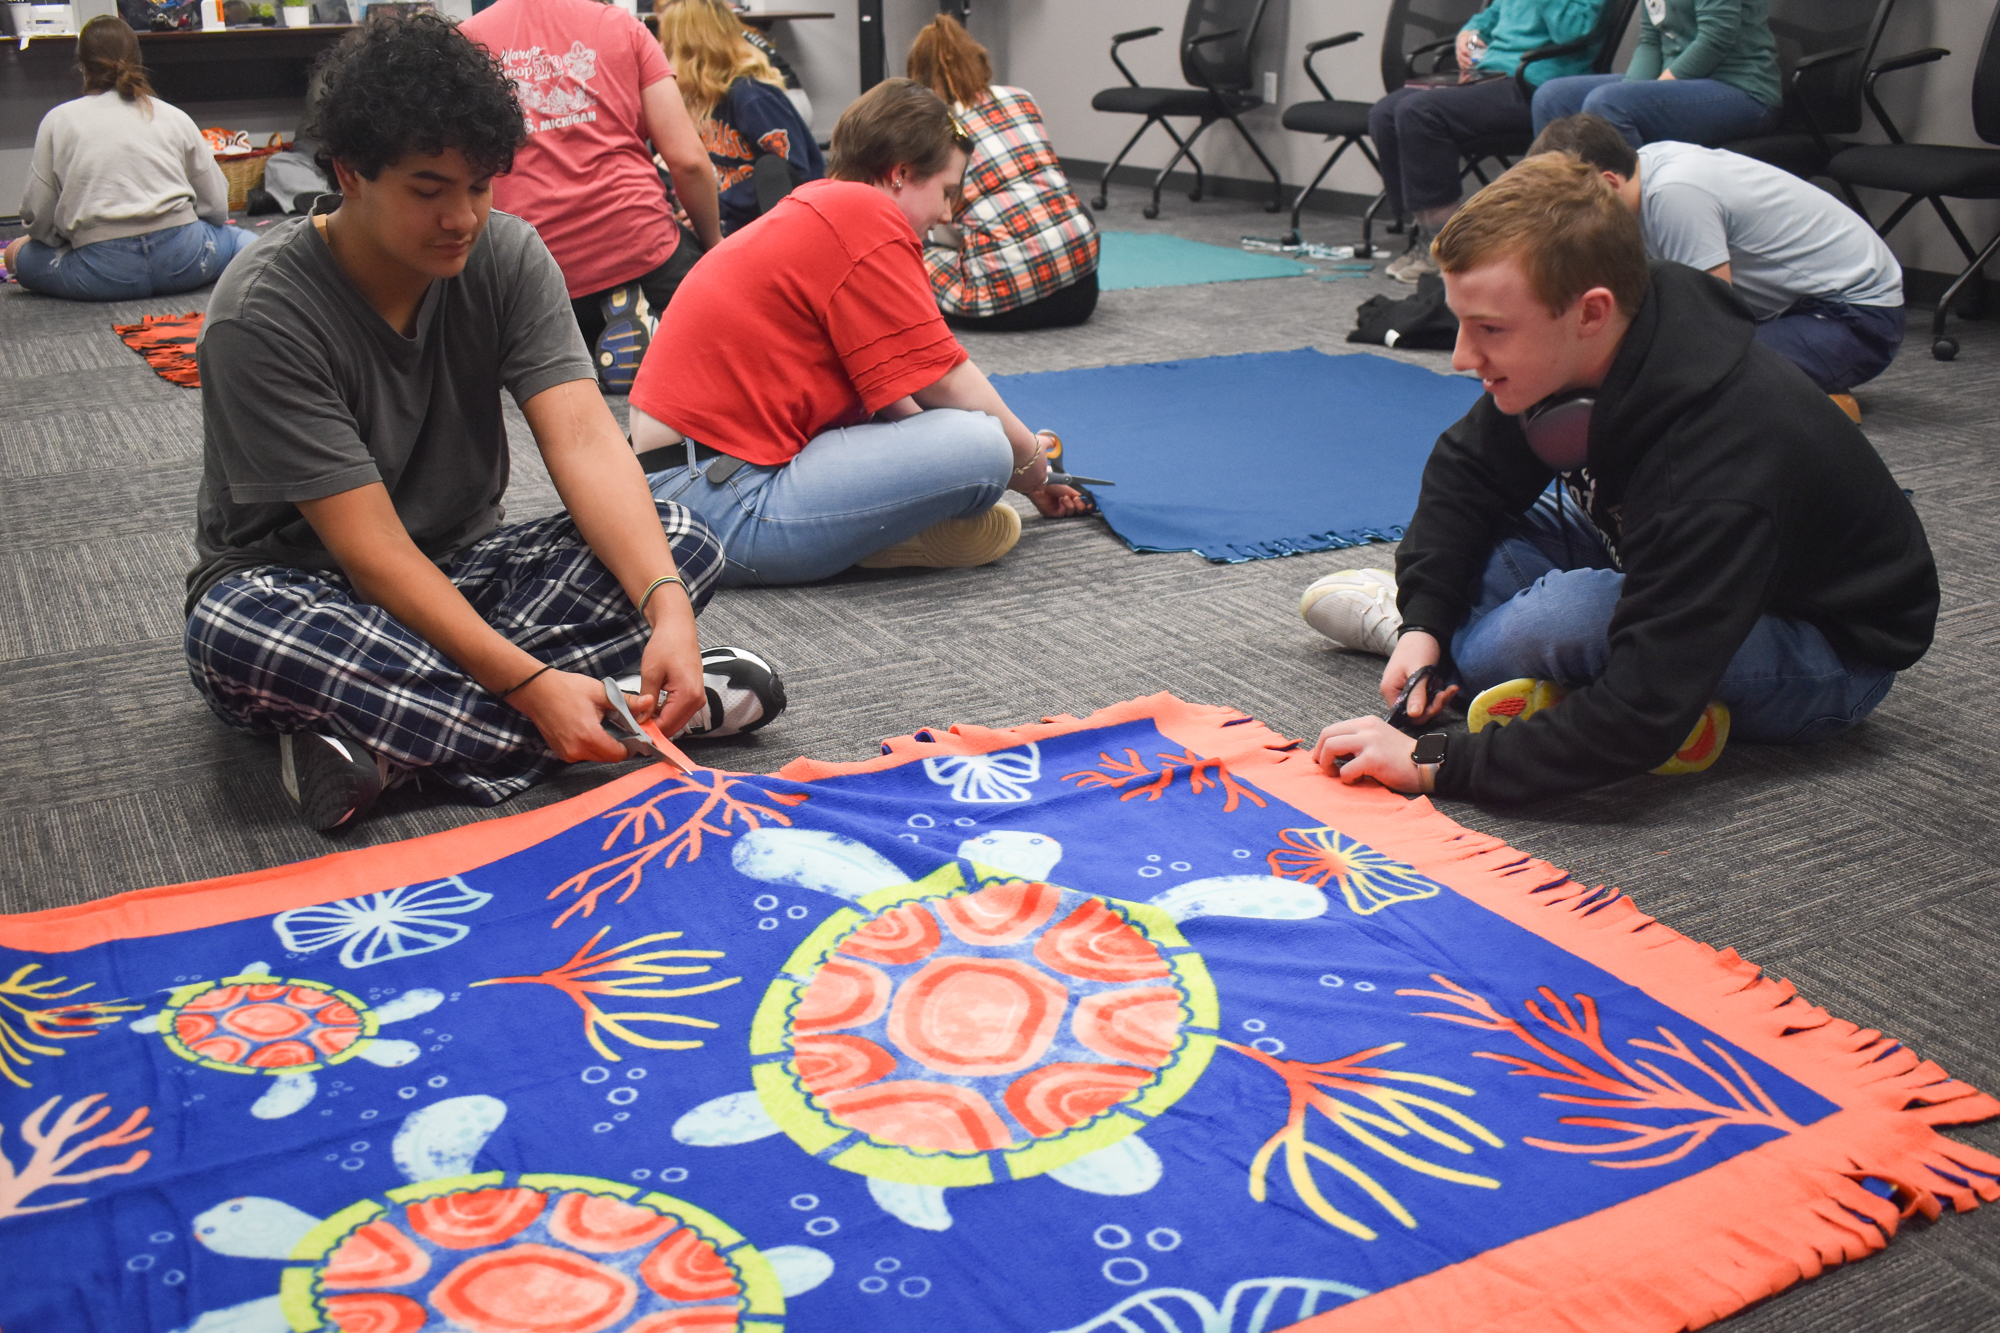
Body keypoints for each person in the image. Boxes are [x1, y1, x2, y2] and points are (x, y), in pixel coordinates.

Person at [183, 14, 783, 833]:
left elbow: (583, 441)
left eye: (480, 186)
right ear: (351, 173)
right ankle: (630, 712)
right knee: (234, 631)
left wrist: (668, 609)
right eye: (429, 190)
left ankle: (392, 752)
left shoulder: (508, 255)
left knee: (680, 540)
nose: (462, 217)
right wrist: (529, 685)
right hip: (309, 588)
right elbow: (373, 553)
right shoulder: (262, 312)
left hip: (466, 571)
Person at [1298, 154, 1936, 804]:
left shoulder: (1718, 463)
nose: (1463, 357)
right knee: (1481, 551)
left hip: (1825, 648)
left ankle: (1472, 660)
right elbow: (1466, 473)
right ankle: (1443, 643)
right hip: (1662, 562)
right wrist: (1424, 622)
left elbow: (1638, 713)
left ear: (1591, 312)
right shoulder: (1589, 336)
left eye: (1490, 329)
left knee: (1559, 619)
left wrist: (1430, 755)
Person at [626, 77, 1091, 586]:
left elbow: (899, 403)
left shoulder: (821, 206)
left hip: (689, 485)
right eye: (946, 192)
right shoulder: (863, 215)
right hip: (716, 507)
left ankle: (870, 532)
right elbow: (946, 382)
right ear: (900, 173)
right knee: (983, 446)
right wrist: (1031, 467)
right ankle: (876, 533)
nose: (945, 214)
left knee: (960, 438)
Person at [1530, 113, 1902, 414]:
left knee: (1692, 374)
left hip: (1859, 318)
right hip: (1797, 306)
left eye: (1568, 209)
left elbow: (1709, 319)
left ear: (1608, 183)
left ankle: (1811, 403)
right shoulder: (1642, 169)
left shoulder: (1675, 195)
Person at [460, 0, 721, 393]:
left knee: (534, 333)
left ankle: (568, 351)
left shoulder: (465, 42)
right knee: (717, 315)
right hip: (638, 244)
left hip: (528, 267)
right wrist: (713, 242)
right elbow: (688, 162)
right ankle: (642, 323)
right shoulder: (622, 26)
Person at [4, 17, 256, 301]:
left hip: (100, 275)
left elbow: (38, 219)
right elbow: (217, 206)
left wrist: (63, 239)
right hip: (188, 263)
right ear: (138, 60)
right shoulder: (172, 115)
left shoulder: (58, 120)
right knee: (240, 240)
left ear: (82, 66)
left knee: (19, 256)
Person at [1370, 0, 1604, 283]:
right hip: (1489, 75)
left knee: (1419, 113)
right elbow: (1493, 13)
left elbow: (1574, 31)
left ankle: (1447, 247)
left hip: (1536, 83)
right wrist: (1469, 34)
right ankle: (1423, 232)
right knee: (1384, 114)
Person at [906, 14, 1099, 331]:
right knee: (1071, 211)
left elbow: (940, 218)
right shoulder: (1021, 98)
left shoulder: (927, 128)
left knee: (919, 243)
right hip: (1081, 293)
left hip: (1000, 305)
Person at [656, 0, 821, 236]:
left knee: (770, 168)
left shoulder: (751, 97)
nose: (661, 48)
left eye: (667, 41)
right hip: (742, 225)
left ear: (688, 48)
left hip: (790, 230)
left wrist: (717, 206)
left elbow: (791, 173)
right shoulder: (708, 101)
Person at [1532, 0, 1780, 148]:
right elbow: (1650, 40)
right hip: (1679, 80)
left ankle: (1625, 225)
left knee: (1609, 103)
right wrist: (1634, 88)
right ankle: (1563, 211)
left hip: (1741, 88)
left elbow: (1715, 38)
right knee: (1552, 97)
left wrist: (1654, 90)